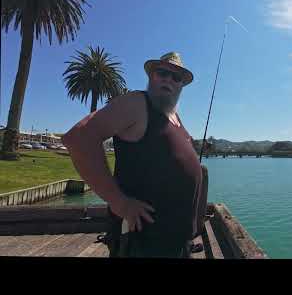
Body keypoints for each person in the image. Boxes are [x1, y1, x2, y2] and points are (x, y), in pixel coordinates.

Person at [62, 52, 206, 258]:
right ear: (151, 76)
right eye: (162, 72)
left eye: (176, 77)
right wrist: (119, 202)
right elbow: (78, 138)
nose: (168, 79)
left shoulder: (175, 118)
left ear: (182, 85)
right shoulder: (137, 103)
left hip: (176, 242)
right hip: (143, 242)